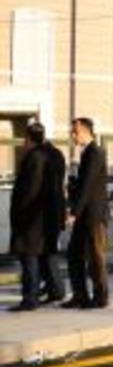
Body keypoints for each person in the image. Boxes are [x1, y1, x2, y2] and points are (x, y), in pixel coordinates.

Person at [64, 118, 110, 309]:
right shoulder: (86, 153)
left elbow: (88, 186)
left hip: (93, 216)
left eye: (74, 132)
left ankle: (100, 297)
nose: (72, 136)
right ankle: (80, 295)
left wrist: (73, 212)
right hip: (84, 214)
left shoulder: (96, 152)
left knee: (95, 258)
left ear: (84, 130)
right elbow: (82, 185)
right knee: (74, 255)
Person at [8, 123, 49, 311]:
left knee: (29, 257)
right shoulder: (43, 155)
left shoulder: (34, 158)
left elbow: (30, 190)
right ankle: (31, 296)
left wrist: (21, 213)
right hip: (36, 216)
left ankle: (30, 298)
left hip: (30, 218)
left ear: (29, 138)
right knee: (31, 257)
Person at [40, 137, 68, 304]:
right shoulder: (58, 155)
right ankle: (52, 287)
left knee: (48, 254)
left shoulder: (47, 157)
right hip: (56, 211)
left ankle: (56, 289)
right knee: (49, 252)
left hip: (48, 214)